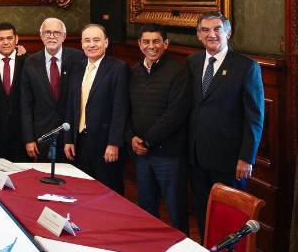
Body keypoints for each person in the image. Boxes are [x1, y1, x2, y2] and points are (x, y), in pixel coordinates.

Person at [187, 12, 264, 236]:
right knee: (203, 211)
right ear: (199, 35)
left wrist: (246, 157)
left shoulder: (246, 67)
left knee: (230, 217)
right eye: (205, 30)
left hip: (230, 160)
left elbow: (255, 117)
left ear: (228, 32)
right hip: (197, 156)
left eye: (217, 29)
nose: (212, 34)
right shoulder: (192, 62)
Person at [126, 24, 190, 233]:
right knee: (146, 208)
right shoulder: (133, 71)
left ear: (166, 44)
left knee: (175, 209)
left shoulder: (179, 72)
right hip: (142, 155)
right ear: (139, 44)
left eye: (156, 41)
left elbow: (175, 115)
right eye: (146, 42)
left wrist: (147, 141)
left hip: (169, 155)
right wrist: (132, 138)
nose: (151, 46)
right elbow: (126, 110)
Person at [64, 24, 129, 194]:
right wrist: (68, 139)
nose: (91, 44)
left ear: (106, 43)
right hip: (80, 142)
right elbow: (71, 106)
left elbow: (120, 109)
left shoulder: (118, 68)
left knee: (109, 193)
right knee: (83, 192)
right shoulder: (76, 67)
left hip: (105, 144)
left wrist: (114, 143)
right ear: (82, 44)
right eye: (87, 40)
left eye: (96, 40)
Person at [20, 18, 85, 161]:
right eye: (47, 32)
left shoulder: (79, 58)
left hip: (71, 134)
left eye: (56, 32)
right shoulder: (30, 62)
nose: (51, 36)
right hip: (41, 134)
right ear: (41, 35)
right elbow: (26, 104)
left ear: (64, 36)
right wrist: (29, 139)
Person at [0, 22, 27, 161]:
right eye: (1, 39)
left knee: (22, 177)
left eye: (9, 38)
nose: (6, 42)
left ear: (16, 39)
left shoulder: (28, 62)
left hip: (23, 134)